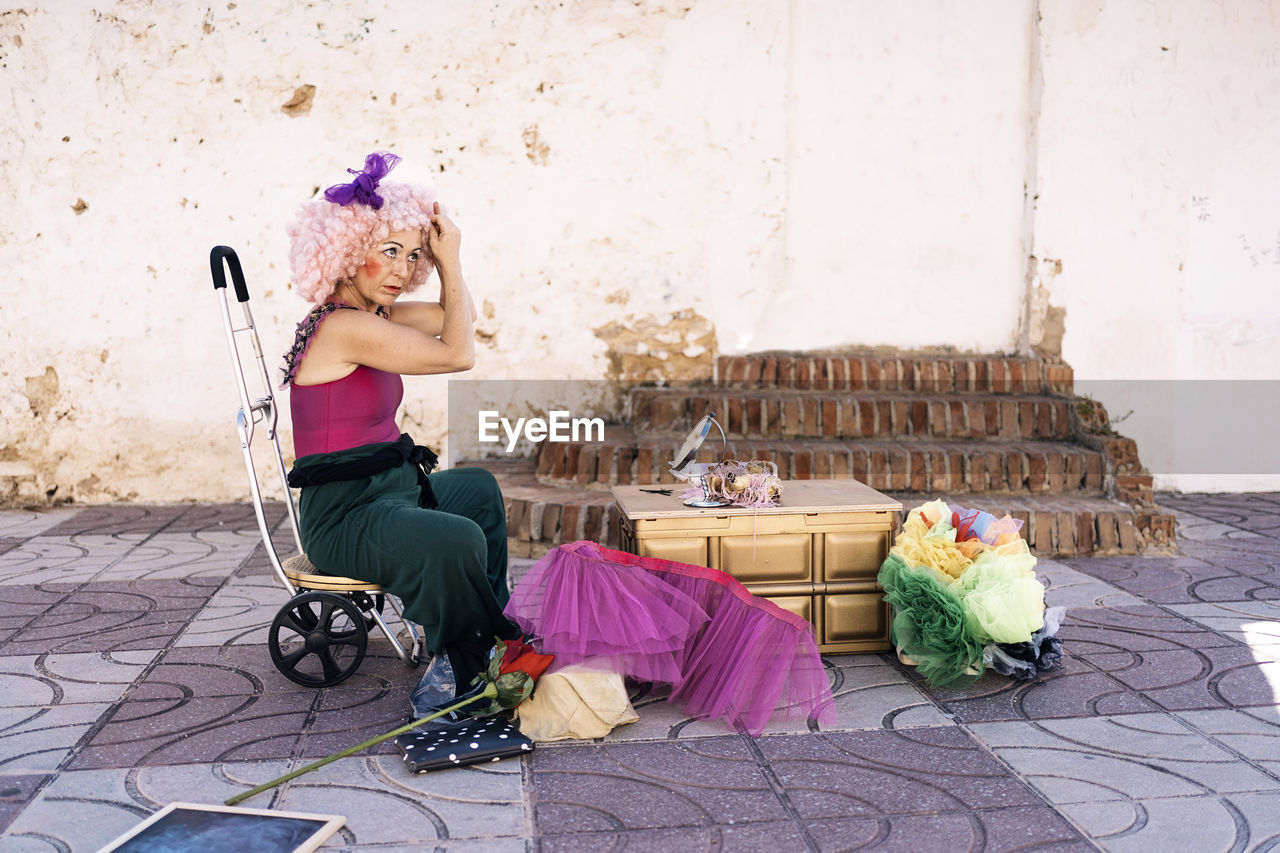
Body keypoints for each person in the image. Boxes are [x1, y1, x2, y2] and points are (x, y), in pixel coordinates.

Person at [280, 152, 517, 713]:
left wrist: (444, 262)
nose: (398, 268)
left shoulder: (378, 319)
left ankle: (490, 632)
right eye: (387, 251)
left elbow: (455, 318)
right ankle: (457, 658)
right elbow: (459, 353)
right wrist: (451, 262)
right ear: (347, 251)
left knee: (478, 490)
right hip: (344, 517)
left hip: (391, 492)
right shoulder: (343, 327)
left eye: (410, 257)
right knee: (454, 538)